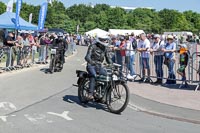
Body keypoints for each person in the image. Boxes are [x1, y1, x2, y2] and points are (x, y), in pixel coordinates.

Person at [85, 35, 112, 100]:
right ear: (99, 40)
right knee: (93, 75)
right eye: (103, 40)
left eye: (105, 40)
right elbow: (87, 56)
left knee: (107, 77)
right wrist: (91, 62)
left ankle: (102, 93)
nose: (105, 41)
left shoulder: (105, 48)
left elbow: (108, 58)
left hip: (99, 66)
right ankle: (90, 94)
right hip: (91, 65)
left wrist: (112, 64)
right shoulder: (92, 46)